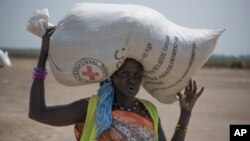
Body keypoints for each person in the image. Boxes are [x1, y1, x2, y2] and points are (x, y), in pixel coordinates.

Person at [29, 28, 204, 141]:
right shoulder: (93, 108)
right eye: (125, 74)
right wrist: (43, 56)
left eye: (137, 75)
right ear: (112, 77)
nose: (132, 80)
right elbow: (38, 113)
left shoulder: (149, 110)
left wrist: (185, 114)